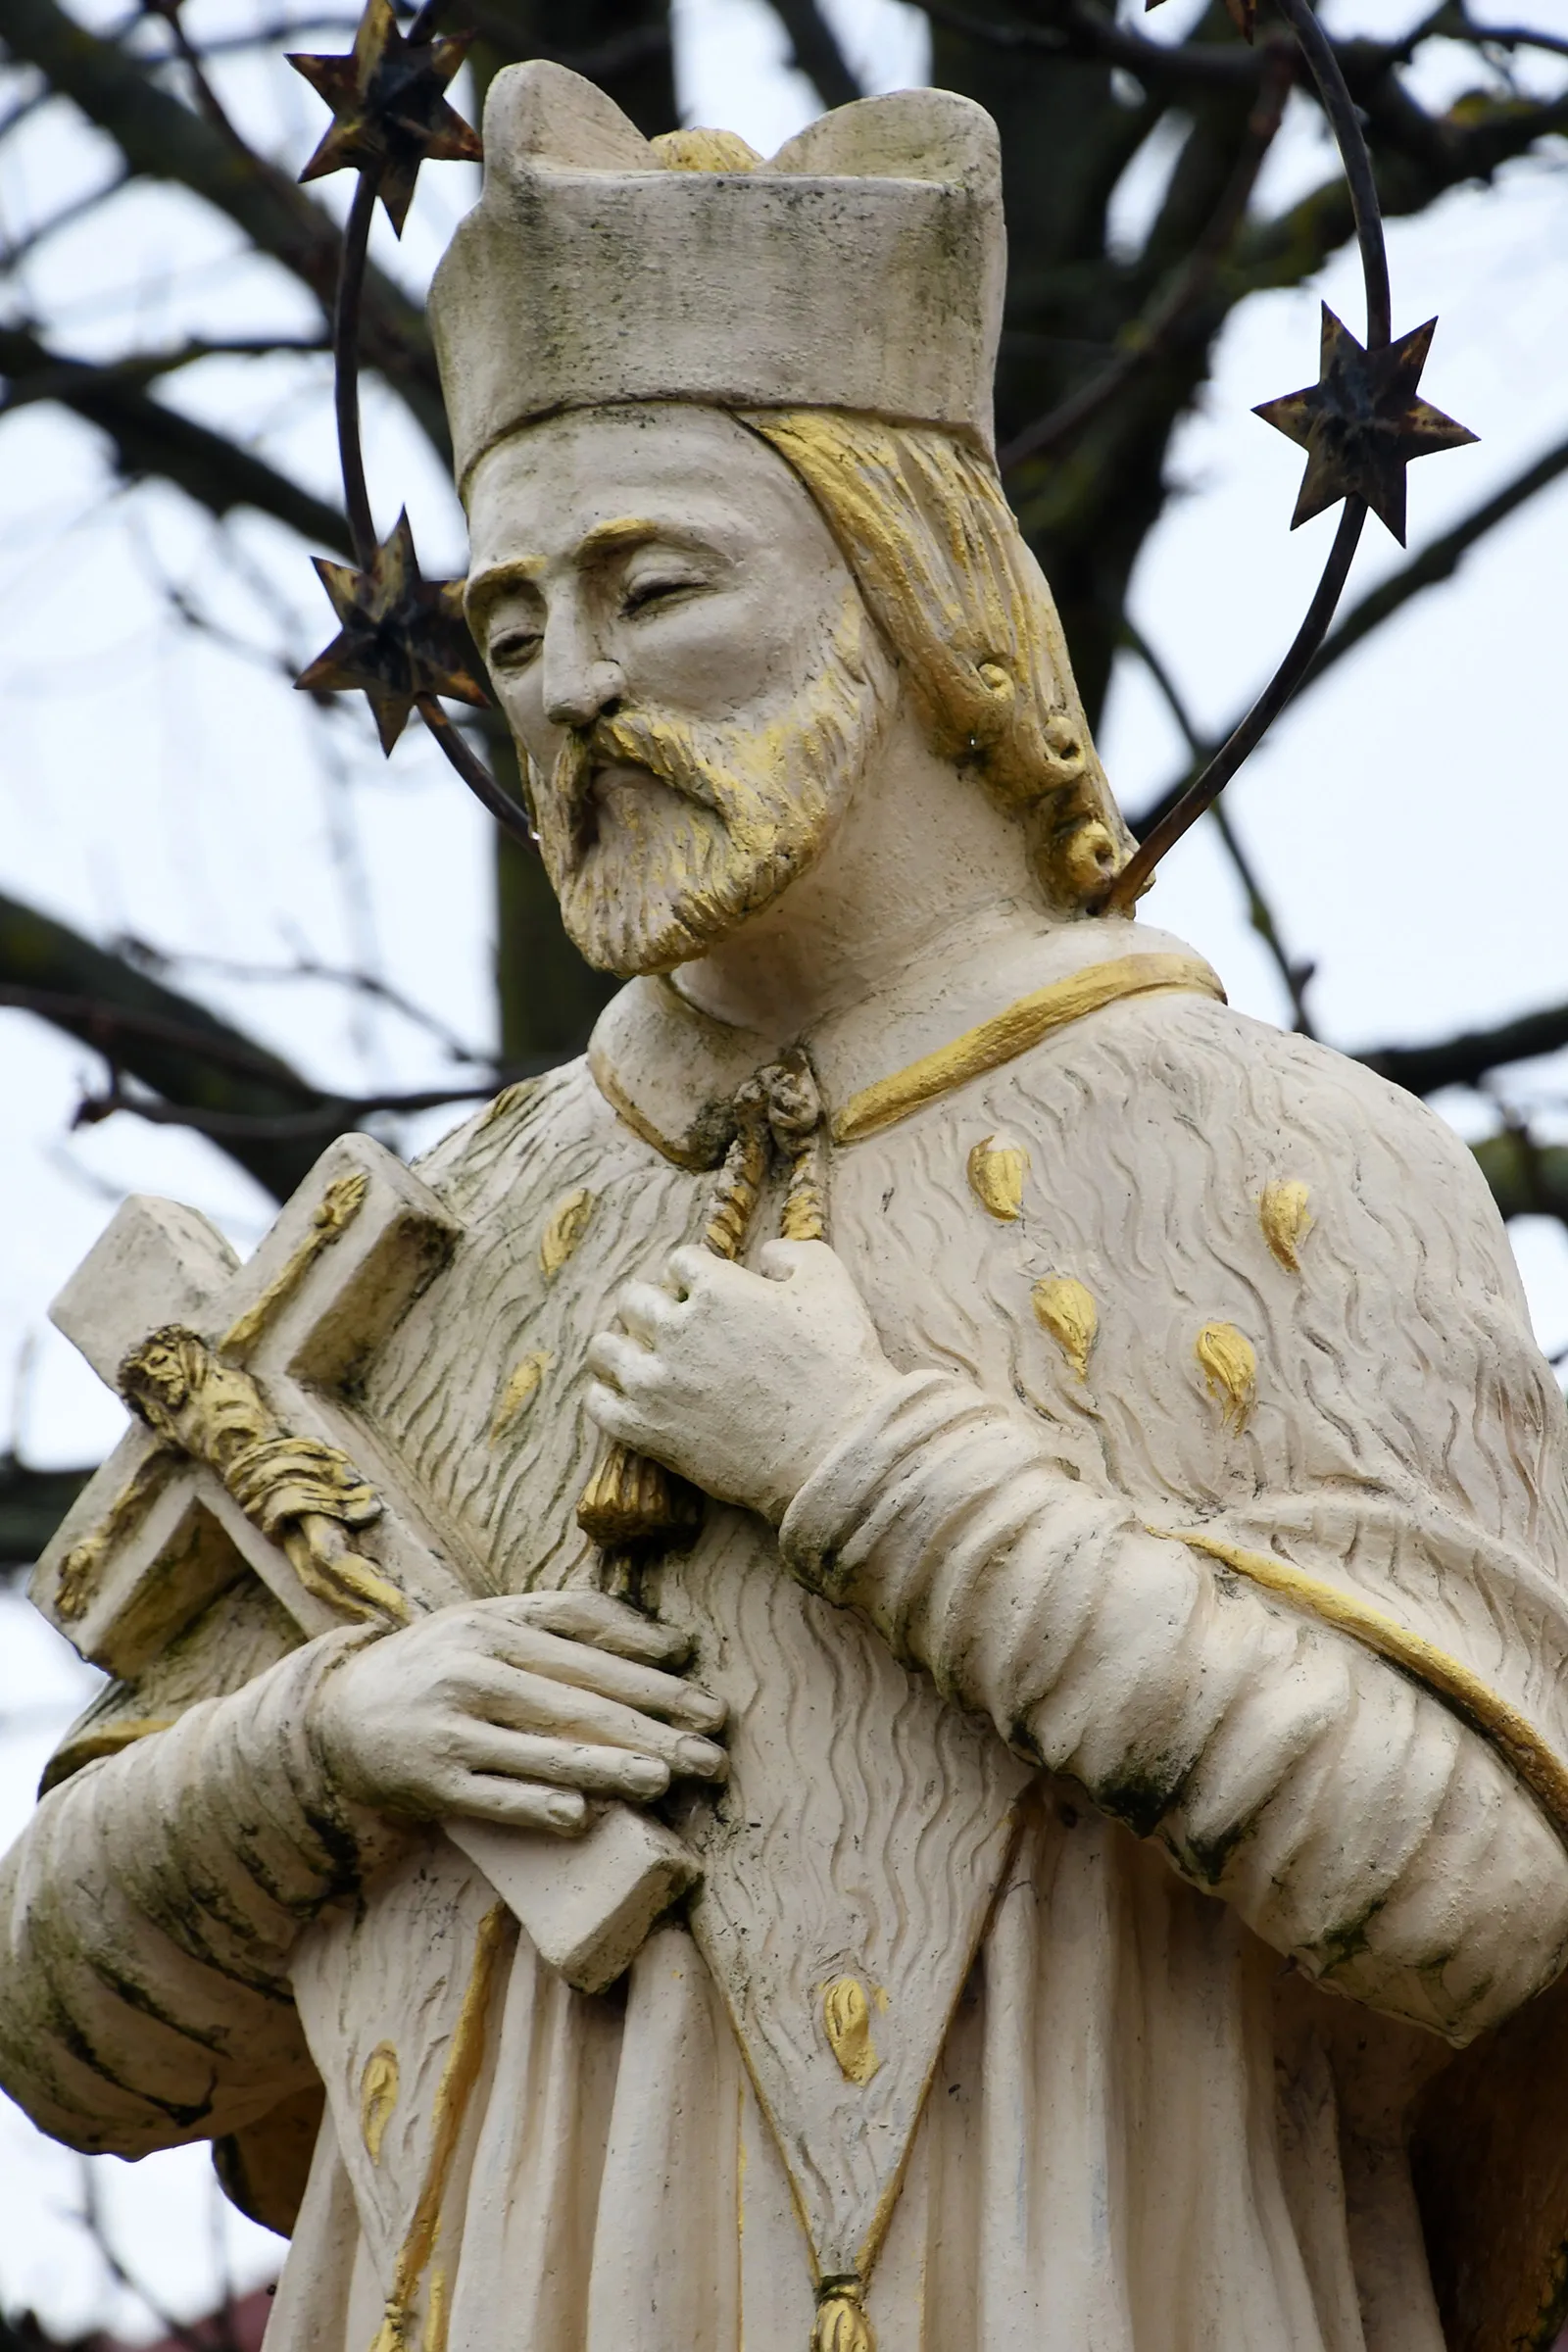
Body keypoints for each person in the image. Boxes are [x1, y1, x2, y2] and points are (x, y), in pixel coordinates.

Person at [5, 65, 1568, 2352]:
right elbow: (61, 2017)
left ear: (909, 592)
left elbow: (1477, 1904)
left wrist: (879, 1475)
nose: (570, 690)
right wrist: (332, 1742)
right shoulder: (443, 1240)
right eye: (512, 622)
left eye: (654, 586)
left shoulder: (1277, 1155)